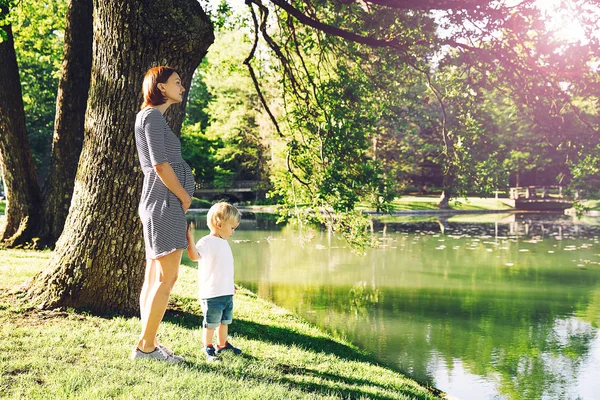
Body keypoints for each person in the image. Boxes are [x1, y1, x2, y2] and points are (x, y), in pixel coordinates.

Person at [131, 66, 195, 362]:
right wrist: (183, 195)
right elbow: (159, 165)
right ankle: (145, 346)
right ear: (160, 87)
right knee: (167, 279)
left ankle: (150, 342)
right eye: (177, 82)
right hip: (164, 203)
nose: (182, 87)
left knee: (154, 277)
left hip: (160, 202)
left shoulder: (150, 117)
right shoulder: (152, 116)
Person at [186, 202, 243, 362]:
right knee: (211, 322)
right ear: (219, 224)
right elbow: (194, 256)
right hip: (212, 294)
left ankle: (222, 344)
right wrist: (190, 239)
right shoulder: (207, 242)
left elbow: (223, 268)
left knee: (225, 321)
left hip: (226, 292)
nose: (233, 232)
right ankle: (208, 346)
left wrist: (230, 284)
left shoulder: (223, 242)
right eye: (232, 228)